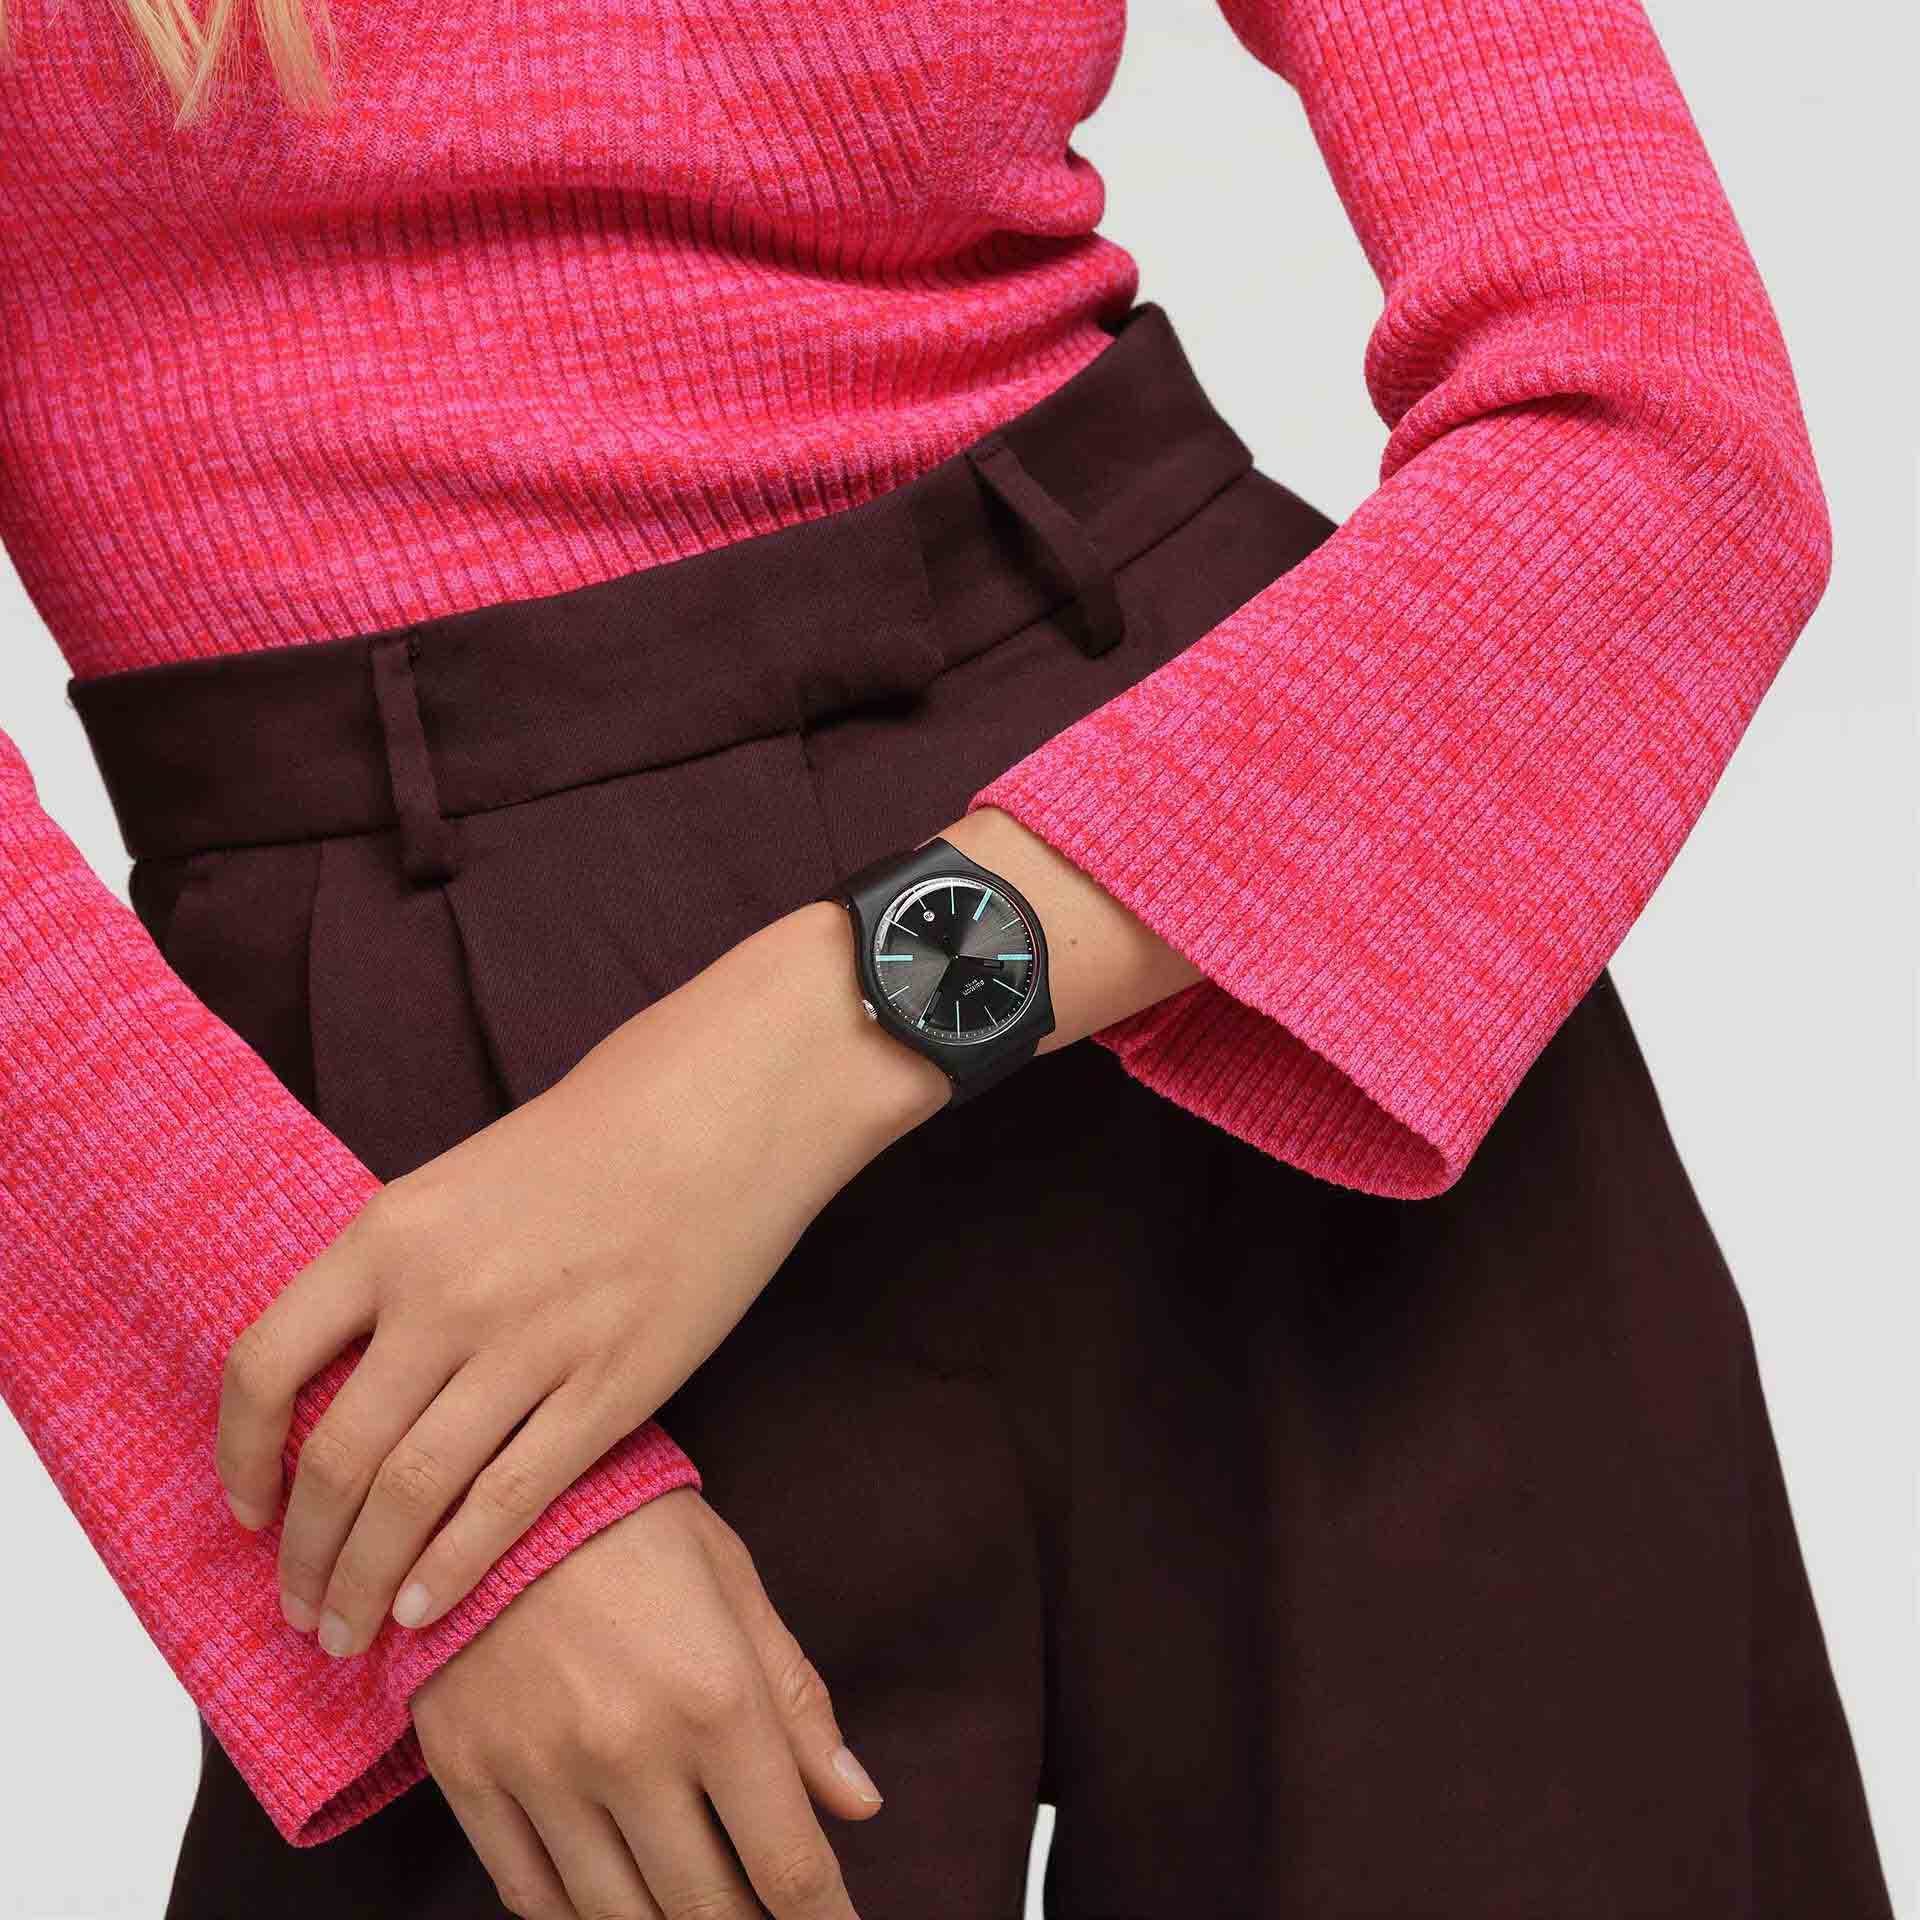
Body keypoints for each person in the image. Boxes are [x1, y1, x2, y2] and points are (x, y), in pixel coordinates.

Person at [0, 0, 1895, 1915]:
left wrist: (804, 1048)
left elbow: (1665, 427)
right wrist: (419, 1509)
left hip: (1261, 956)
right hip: (440, 1216)